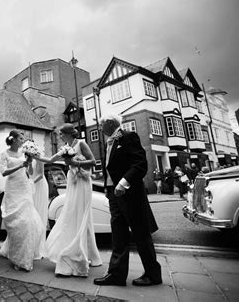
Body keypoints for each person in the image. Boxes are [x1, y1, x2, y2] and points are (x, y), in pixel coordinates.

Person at [93, 114, 161, 287]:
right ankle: (116, 274)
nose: (100, 129)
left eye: (101, 125)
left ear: (109, 123)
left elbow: (140, 164)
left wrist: (124, 183)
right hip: (114, 196)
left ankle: (153, 275)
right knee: (118, 235)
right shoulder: (110, 142)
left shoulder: (129, 137)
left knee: (141, 235)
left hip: (130, 195)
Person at [34, 123, 102, 278]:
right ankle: (91, 254)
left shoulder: (81, 144)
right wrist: (34, 156)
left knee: (81, 215)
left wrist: (75, 163)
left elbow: (92, 162)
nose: (60, 136)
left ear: (69, 133)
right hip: (73, 181)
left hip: (83, 181)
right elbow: (50, 160)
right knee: (71, 213)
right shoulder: (65, 147)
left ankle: (80, 252)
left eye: (61, 134)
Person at [0, 130, 45, 271]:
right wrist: (20, 165)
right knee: (15, 223)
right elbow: (3, 172)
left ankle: (24, 255)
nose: (22, 141)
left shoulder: (24, 152)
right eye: (20, 138)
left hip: (25, 187)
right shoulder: (4, 154)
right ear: (12, 139)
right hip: (13, 188)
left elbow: (30, 173)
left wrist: (29, 163)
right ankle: (16, 255)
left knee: (28, 222)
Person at [31, 158, 48, 257]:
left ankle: (38, 246)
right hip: (31, 185)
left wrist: (30, 183)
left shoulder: (39, 158)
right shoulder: (26, 158)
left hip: (39, 186)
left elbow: (41, 175)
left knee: (38, 212)